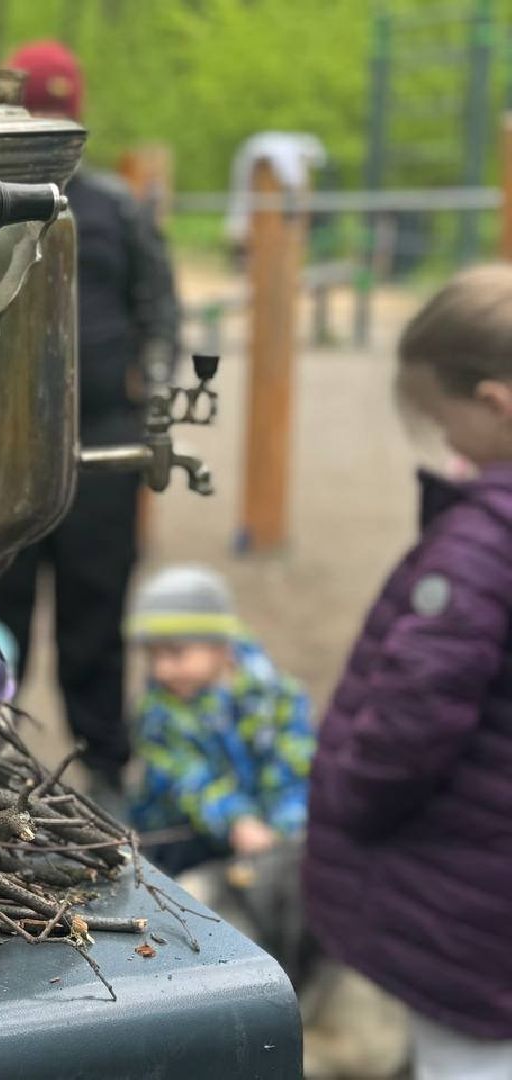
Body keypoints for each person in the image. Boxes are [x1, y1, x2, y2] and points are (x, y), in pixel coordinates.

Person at [303, 265, 512, 1078]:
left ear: (496, 402)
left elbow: (414, 712)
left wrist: (352, 796)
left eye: (446, 425)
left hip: (464, 904)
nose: (450, 449)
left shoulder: (481, 546)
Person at [0, 41, 180, 796]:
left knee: (97, 608)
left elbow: (157, 307)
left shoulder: (115, 209)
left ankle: (104, 762)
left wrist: (155, 388)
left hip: (104, 432)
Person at [126, 565, 314, 878]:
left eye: (175, 653)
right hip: (182, 835)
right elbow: (189, 781)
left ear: (221, 646)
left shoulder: (279, 697)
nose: (161, 670)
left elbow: (296, 769)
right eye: (153, 656)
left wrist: (286, 827)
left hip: (265, 833)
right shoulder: (157, 714)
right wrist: (239, 821)